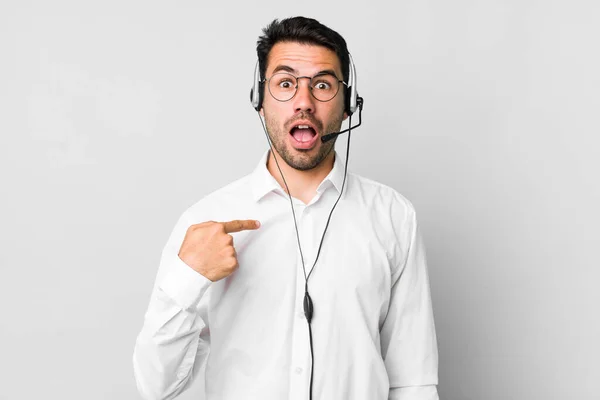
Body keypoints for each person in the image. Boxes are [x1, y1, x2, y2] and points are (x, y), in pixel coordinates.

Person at [133, 16, 439, 400]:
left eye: (324, 85)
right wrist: (187, 278)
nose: (304, 102)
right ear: (260, 102)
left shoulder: (394, 217)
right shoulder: (204, 222)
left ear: (348, 105)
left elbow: (413, 382)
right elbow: (155, 387)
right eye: (285, 83)